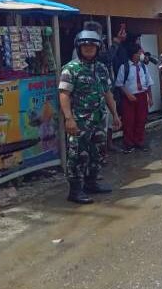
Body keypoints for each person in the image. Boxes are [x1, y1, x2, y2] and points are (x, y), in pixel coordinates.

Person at [59, 29, 121, 204]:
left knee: (97, 153)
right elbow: (64, 94)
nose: (88, 48)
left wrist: (115, 114)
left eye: (92, 46)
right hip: (79, 122)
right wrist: (68, 118)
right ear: (79, 47)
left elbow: (108, 92)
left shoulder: (101, 68)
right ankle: (75, 191)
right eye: (84, 46)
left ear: (97, 48)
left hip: (99, 120)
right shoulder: (71, 68)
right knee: (78, 155)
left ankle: (91, 183)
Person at [115, 43, 154, 153]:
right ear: (133, 54)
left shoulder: (143, 67)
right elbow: (119, 84)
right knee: (128, 121)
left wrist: (150, 98)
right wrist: (128, 95)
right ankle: (129, 143)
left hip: (142, 95)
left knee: (141, 120)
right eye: (139, 52)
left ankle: (139, 141)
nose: (141, 54)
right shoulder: (124, 67)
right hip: (129, 97)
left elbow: (148, 83)